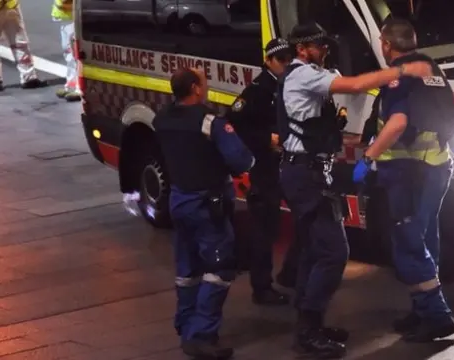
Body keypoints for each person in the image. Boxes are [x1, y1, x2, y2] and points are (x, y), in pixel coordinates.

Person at [278, 22, 433, 358]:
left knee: (311, 250)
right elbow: (357, 83)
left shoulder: (312, 73)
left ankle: (310, 325)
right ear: (303, 49)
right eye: (319, 45)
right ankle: (308, 329)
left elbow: (351, 94)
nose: (325, 50)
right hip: (305, 176)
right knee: (334, 253)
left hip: (309, 172)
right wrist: (403, 69)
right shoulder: (303, 75)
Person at [352, 18, 454, 342]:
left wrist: (368, 157)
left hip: (412, 173)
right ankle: (421, 310)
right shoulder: (430, 68)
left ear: (386, 45)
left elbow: (397, 124)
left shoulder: (399, 78)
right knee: (426, 240)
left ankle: (436, 315)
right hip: (437, 167)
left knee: (409, 243)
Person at [153, 67, 254, 359]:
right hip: (207, 205)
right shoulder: (210, 122)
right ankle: (201, 335)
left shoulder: (163, 119)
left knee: (188, 268)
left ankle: (186, 326)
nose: (206, 87)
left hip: (178, 201)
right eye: (204, 82)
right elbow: (241, 159)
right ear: (196, 88)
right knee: (220, 268)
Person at [227, 38, 301, 306]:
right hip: (267, 168)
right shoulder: (258, 90)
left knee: (306, 219)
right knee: (265, 230)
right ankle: (262, 287)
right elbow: (234, 122)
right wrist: (264, 140)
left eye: (289, 59)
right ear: (268, 60)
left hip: (290, 164)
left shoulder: (290, 84)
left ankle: (291, 274)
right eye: (280, 60)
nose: (286, 64)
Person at [0, 0, 48, 91]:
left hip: (10, 6)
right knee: (19, 42)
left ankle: (29, 77)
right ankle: (28, 77)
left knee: (20, 43)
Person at [51, 0, 80, 102]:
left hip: (73, 18)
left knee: (76, 53)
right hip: (66, 18)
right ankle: (71, 84)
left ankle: (79, 87)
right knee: (69, 53)